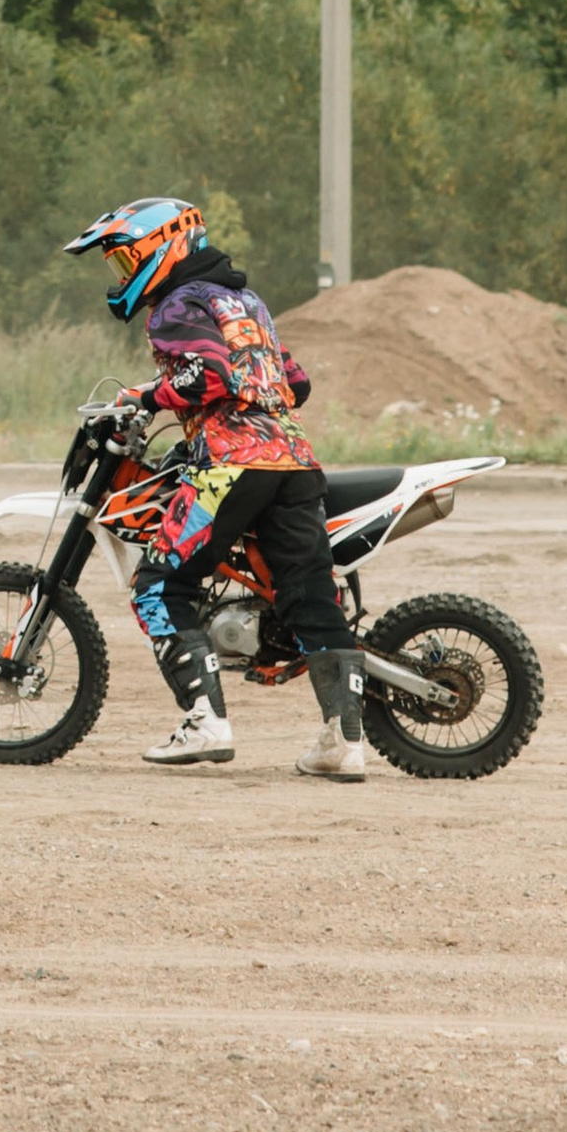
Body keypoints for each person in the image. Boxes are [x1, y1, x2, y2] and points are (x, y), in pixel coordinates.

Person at [64, 195, 366, 782]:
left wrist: (144, 397)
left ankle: (206, 722)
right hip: (296, 463)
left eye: (126, 262)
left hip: (231, 466)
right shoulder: (245, 301)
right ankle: (343, 743)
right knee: (311, 600)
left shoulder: (175, 305)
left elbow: (205, 374)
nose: (124, 276)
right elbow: (293, 381)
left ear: (163, 247)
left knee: (158, 583)